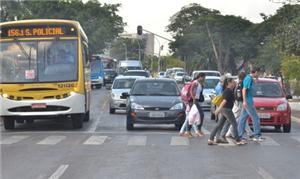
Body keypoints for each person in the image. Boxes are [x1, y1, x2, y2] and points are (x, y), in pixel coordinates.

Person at [208, 78, 246, 145]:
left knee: (219, 124)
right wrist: (218, 110)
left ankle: (212, 139)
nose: (235, 83)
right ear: (229, 83)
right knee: (234, 123)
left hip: (226, 109)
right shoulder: (227, 91)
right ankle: (237, 140)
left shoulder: (230, 90)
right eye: (233, 82)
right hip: (226, 109)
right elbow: (224, 101)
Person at [238, 68, 264, 142]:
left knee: (242, 119)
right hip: (248, 101)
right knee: (255, 118)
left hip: (247, 101)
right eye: (258, 73)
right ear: (255, 72)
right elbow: (244, 89)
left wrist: (256, 77)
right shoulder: (248, 78)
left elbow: (256, 82)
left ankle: (239, 135)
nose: (258, 74)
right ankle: (257, 135)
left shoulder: (250, 78)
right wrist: (244, 101)